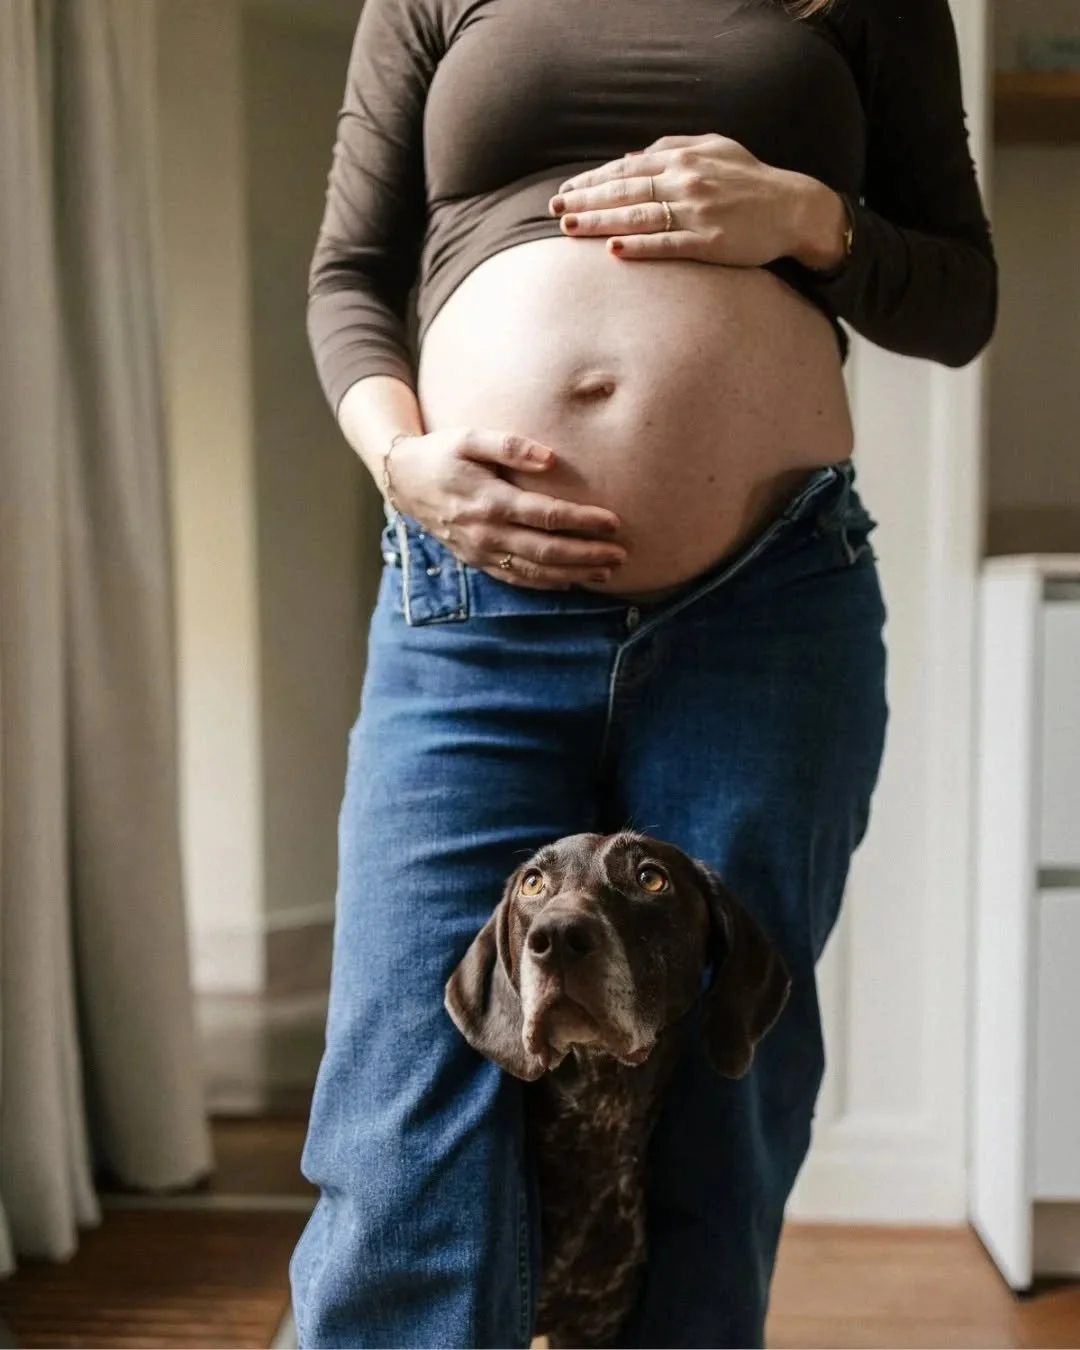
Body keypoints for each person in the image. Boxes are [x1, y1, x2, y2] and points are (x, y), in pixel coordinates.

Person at [289, 0, 997, 1343]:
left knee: (720, 1099)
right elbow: (351, 277)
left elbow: (961, 298)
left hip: (766, 612)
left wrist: (810, 217)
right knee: (404, 1107)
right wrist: (402, 462)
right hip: (471, 606)